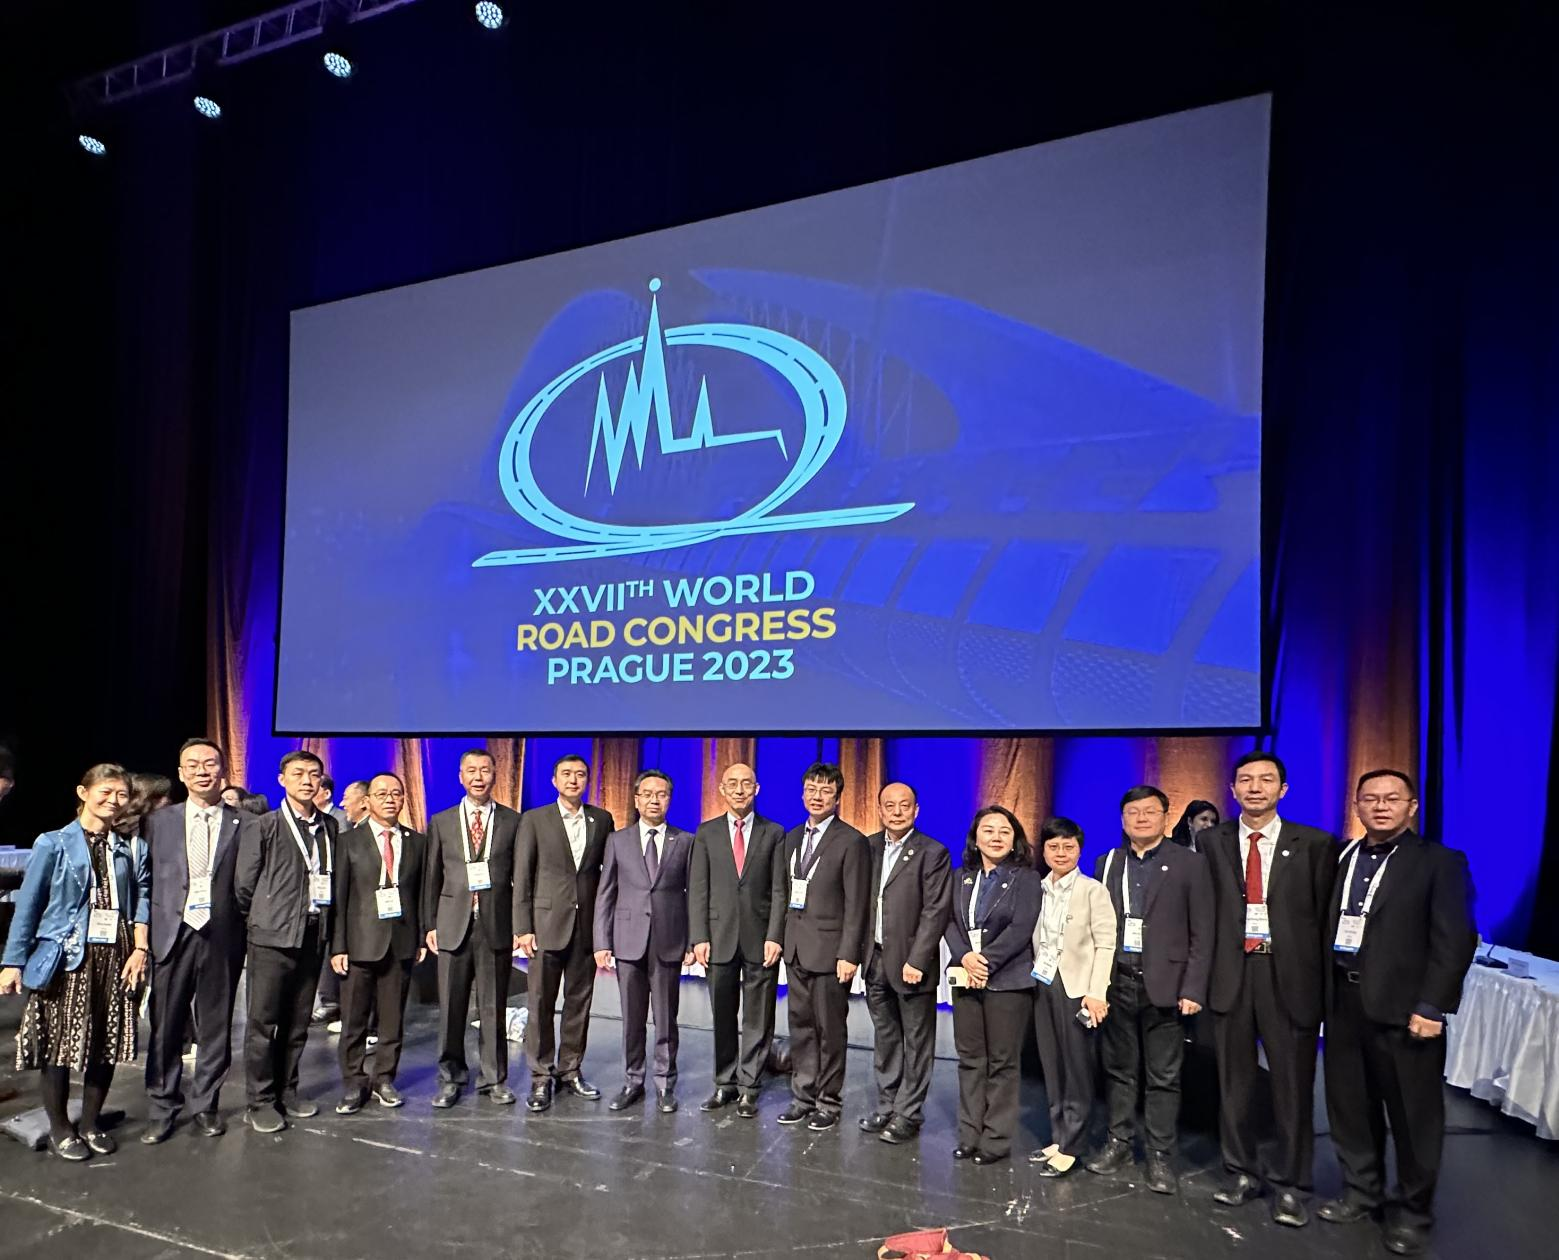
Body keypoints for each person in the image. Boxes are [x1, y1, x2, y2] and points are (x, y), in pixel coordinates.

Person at [1318, 770, 1476, 1257]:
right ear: (1357, 806)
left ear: (1412, 806)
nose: (1381, 806)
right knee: (1349, 1107)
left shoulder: (1440, 862)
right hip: (1342, 1003)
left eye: (1392, 798)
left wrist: (1432, 1005)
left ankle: (1413, 1212)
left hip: (1406, 1010)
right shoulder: (1339, 856)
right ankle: (1361, 1192)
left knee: (1413, 1116)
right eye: (1370, 799)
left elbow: (1455, 939)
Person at [1203, 752, 1338, 1226]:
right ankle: (1240, 1171)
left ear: (1283, 789)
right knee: (1234, 1085)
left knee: (1292, 1087)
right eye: (1245, 779)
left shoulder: (1315, 843)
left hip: (1290, 978)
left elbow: (1325, 920)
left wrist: (1325, 989)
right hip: (1231, 975)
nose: (1255, 787)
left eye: (1266, 780)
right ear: (1232, 789)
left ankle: (1292, 1185)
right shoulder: (1211, 841)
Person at [0, 764, 150, 1160]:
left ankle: (90, 1123)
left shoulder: (130, 846)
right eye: (106, 791)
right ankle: (60, 1128)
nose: (114, 800)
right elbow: (29, 905)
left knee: (106, 1042)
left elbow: (142, 897)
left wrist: (140, 948)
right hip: (67, 956)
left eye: (121, 794)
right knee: (59, 1045)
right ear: (83, 793)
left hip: (115, 955)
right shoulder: (53, 843)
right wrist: (13, 961)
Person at [1088, 785, 1213, 1193]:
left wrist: (1193, 987)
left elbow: (1203, 931)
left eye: (1149, 812)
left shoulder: (1190, 863)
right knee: (1118, 1071)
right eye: (1133, 812)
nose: (1141, 819)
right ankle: (1119, 1142)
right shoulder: (1108, 862)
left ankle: (1160, 1155)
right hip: (1117, 982)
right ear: (1122, 819)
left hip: (1167, 986)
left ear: (1165, 816)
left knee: (1163, 1077)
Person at [141, 739, 250, 1144]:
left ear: (223, 770)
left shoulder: (246, 823)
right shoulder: (158, 822)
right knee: (165, 1026)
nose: (202, 771)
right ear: (181, 773)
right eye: (193, 765)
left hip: (222, 936)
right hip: (171, 933)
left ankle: (206, 1104)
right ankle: (162, 1107)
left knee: (216, 1026)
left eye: (210, 763)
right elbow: (145, 879)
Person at [234, 749, 339, 1133]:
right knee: (263, 1023)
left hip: (313, 933)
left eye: (314, 774)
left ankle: (288, 1090)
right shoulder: (264, 826)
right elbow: (244, 886)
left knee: (298, 1022)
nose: (307, 781)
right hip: (272, 937)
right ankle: (260, 1100)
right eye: (298, 774)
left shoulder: (329, 826)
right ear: (282, 780)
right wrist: (266, 917)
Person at [515, 752, 615, 1112]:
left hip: (585, 929)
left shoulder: (602, 819)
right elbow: (522, 876)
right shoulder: (535, 819)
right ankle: (541, 1075)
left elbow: (607, 877)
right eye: (567, 774)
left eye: (581, 774)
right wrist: (523, 927)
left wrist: (605, 931)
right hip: (544, 928)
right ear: (554, 780)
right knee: (540, 1003)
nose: (574, 780)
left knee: (579, 1004)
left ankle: (571, 1069)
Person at [687, 761, 788, 1118]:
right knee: (723, 1016)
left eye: (747, 783)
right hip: (718, 938)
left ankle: (750, 1086)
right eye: (733, 783)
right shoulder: (706, 832)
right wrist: (699, 936)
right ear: (722, 790)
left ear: (757, 789)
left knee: (758, 1017)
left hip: (761, 940)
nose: (740, 790)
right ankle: (725, 1083)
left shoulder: (774, 833)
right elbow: (698, 889)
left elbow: (780, 890)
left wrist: (775, 935)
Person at [943, 805, 1041, 1165]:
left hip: (1008, 981)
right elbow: (948, 921)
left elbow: (1021, 927)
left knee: (1002, 1062)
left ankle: (995, 1140)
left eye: (1004, 831)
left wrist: (985, 961)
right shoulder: (961, 877)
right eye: (988, 830)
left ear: (1014, 839)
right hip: (966, 977)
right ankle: (969, 1134)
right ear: (976, 838)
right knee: (970, 1059)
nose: (996, 837)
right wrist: (965, 956)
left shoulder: (1026, 878)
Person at [425, 749, 521, 1108]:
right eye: (471, 771)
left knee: (493, 1007)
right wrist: (430, 924)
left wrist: (520, 925)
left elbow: (520, 879)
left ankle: (494, 1078)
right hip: (453, 924)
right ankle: (450, 1078)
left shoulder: (513, 821)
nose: (478, 777)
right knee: (451, 1008)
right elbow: (432, 878)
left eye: (485, 770)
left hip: (495, 925)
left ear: (495, 775)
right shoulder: (442, 821)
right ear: (460, 777)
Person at [594, 769, 693, 1113]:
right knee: (631, 1020)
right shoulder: (617, 841)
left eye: (661, 794)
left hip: (668, 941)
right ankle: (632, 1081)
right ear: (636, 799)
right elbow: (605, 893)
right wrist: (601, 941)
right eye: (648, 794)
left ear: (670, 799)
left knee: (666, 1019)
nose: (654, 800)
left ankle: (665, 1084)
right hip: (627, 941)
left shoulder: (685, 841)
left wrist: (692, 942)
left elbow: (693, 896)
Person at [777, 762, 867, 1133]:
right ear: (802, 794)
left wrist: (849, 953)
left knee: (830, 1030)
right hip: (796, 948)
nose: (817, 796)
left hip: (831, 953)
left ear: (837, 797)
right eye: (812, 789)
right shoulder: (792, 837)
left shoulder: (851, 840)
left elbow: (857, 903)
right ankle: (803, 1096)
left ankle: (828, 1101)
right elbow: (785, 892)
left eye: (826, 790)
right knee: (800, 1026)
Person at [859, 781, 951, 1145]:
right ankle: (887, 1104)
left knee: (916, 1041)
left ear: (916, 810)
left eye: (904, 805)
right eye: (890, 805)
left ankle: (909, 1113)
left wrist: (918, 959)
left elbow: (935, 911)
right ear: (880, 810)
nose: (897, 812)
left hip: (912, 964)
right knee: (885, 1037)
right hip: (874, 959)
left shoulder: (933, 852)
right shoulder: (867, 848)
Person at [329, 773, 427, 1113]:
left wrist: (420, 936)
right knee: (354, 1020)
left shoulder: (417, 842)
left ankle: (384, 1078)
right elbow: (340, 897)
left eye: (396, 794)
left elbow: (421, 895)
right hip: (358, 944)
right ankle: (353, 1083)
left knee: (392, 1019)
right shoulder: (347, 842)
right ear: (367, 801)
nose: (390, 799)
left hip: (400, 942)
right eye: (382, 794)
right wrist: (338, 945)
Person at [1028, 816, 1115, 1177]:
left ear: (1080, 850)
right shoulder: (1036, 888)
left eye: (1069, 846)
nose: (1061, 853)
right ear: (1043, 850)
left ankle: (1073, 1145)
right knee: (1052, 1064)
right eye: (1053, 846)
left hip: (1078, 989)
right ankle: (1058, 1135)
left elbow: (1106, 944)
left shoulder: (1093, 890)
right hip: (1043, 984)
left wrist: (1097, 993)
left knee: (1077, 1068)